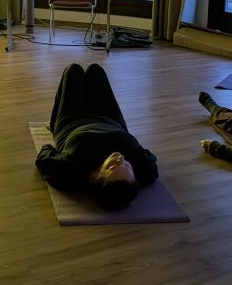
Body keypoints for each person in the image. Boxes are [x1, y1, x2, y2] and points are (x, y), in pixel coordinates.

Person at [36, 63, 158, 210]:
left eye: (112, 166)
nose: (120, 158)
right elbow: (150, 158)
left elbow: (44, 156)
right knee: (95, 70)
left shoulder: (71, 169)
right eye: (127, 165)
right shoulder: (145, 169)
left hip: (72, 121)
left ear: (96, 175)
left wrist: (54, 148)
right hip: (111, 120)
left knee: (73, 70)